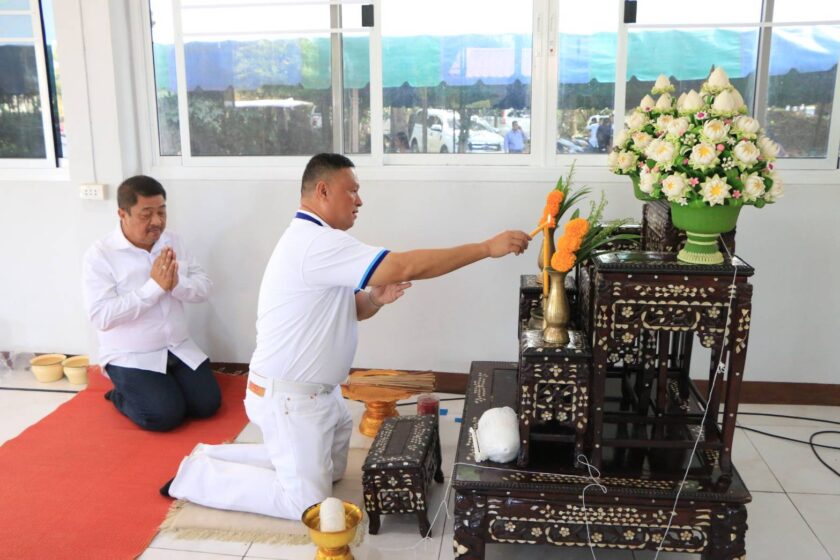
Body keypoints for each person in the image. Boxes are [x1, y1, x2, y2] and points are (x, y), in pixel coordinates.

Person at [164, 153, 530, 519]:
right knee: (306, 504)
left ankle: (213, 455)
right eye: (352, 191)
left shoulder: (321, 240)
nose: (360, 200)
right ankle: (195, 475)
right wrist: (486, 248)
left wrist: (375, 298)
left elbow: (353, 308)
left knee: (333, 473)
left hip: (322, 394)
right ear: (323, 191)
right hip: (290, 397)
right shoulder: (314, 243)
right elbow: (404, 265)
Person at [82, 175, 221, 432]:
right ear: (122, 214)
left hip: (177, 346)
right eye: (146, 215)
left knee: (206, 405)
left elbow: (204, 288)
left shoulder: (173, 241)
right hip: (131, 355)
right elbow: (101, 316)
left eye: (161, 212)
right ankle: (120, 395)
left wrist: (176, 284)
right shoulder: (100, 255)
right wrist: (154, 288)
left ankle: (164, 386)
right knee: (164, 416)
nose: (156, 221)